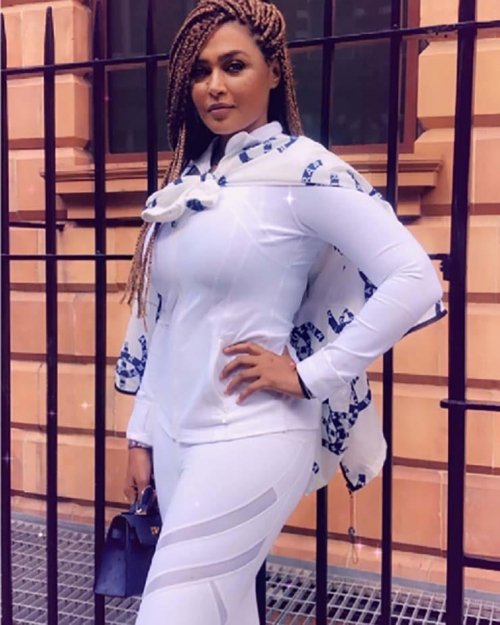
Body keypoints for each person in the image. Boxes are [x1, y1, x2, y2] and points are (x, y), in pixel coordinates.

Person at [116, 1, 444, 623]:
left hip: (253, 434)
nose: (214, 85)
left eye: (233, 66)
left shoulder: (301, 171)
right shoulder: (190, 181)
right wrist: (142, 434)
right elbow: (164, 319)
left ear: (273, 71)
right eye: (200, 71)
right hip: (176, 437)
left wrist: (310, 374)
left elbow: (414, 280)